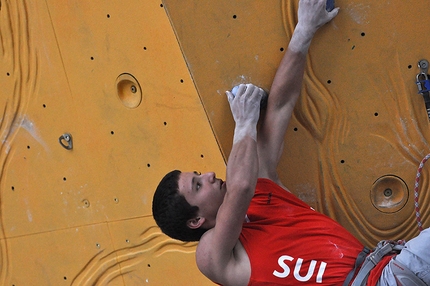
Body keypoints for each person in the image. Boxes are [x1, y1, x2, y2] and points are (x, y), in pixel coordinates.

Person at [152, 0, 430, 285]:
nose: (209, 175)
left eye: (198, 174)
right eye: (198, 185)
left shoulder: (260, 190)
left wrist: (304, 30)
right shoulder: (212, 255)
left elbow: (280, 106)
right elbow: (240, 189)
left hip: (386, 270)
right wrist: (245, 122)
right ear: (196, 221)